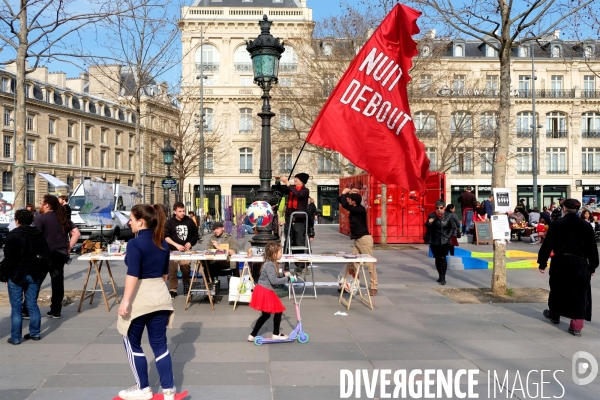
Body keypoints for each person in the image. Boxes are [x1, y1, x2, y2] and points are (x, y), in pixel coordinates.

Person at [117, 204, 175, 400]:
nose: (129, 223)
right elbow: (165, 276)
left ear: (140, 222)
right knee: (160, 344)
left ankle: (143, 388)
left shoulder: (135, 244)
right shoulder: (162, 242)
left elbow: (132, 274)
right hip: (161, 296)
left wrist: (125, 301)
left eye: (131, 219)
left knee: (131, 341)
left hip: (141, 298)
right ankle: (169, 390)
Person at [538, 199, 599, 337]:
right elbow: (592, 249)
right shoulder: (586, 226)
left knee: (557, 288)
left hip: (561, 260)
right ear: (577, 210)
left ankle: (555, 314)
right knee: (580, 293)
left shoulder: (557, 224)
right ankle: (576, 325)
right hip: (580, 262)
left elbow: (547, 244)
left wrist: (542, 262)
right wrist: (593, 266)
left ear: (564, 209)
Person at [0, 210, 50, 344]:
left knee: (16, 307)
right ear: (31, 220)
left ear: (17, 220)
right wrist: (42, 271)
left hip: (16, 273)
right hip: (33, 271)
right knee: (32, 303)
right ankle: (35, 333)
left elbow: (8, 259)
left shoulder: (12, 236)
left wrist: (4, 275)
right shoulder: (38, 234)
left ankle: (16, 337)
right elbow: (46, 256)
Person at [33, 195, 80, 319]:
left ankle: (28, 309)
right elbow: (76, 233)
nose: (39, 205)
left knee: (36, 282)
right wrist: (68, 247)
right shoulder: (62, 218)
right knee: (57, 282)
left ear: (47, 205)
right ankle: (56, 310)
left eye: (41, 203)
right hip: (60, 255)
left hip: (45, 255)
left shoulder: (40, 218)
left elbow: (33, 236)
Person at [247, 242, 294, 342]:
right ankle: (276, 334)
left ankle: (252, 335)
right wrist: (287, 279)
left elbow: (273, 277)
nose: (282, 254)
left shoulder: (270, 263)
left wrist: (284, 274)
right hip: (266, 291)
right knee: (278, 310)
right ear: (274, 254)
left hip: (263, 289)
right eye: (280, 252)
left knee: (266, 315)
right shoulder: (270, 264)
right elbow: (274, 280)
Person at [338, 188, 377, 296]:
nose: (348, 200)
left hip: (364, 239)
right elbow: (341, 200)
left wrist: (344, 193)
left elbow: (344, 204)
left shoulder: (360, 209)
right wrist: (348, 193)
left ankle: (374, 287)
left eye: (349, 199)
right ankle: (348, 285)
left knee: (369, 263)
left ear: (353, 201)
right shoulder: (355, 208)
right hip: (358, 239)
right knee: (352, 263)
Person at [276, 173, 313, 273]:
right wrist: (278, 181)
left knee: (298, 242)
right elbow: (281, 191)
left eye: (297, 178)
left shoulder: (305, 190)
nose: (295, 179)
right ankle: (286, 264)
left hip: (299, 220)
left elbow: (298, 194)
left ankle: (300, 265)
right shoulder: (291, 188)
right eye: (295, 177)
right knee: (287, 242)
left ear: (302, 181)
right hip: (289, 218)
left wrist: (287, 183)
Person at [165, 202, 199, 299]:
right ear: (175, 211)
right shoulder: (169, 222)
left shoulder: (189, 221)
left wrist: (190, 243)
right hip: (173, 251)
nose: (182, 213)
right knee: (172, 270)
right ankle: (173, 290)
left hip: (186, 251)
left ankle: (186, 285)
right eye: (180, 211)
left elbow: (195, 235)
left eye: (183, 211)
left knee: (185, 268)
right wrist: (176, 245)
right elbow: (166, 237)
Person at [425, 200, 457, 285]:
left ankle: (443, 277)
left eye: (441, 208)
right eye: (437, 208)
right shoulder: (431, 215)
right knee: (437, 258)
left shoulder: (449, 216)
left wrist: (448, 237)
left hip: (445, 241)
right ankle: (440, 275)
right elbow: (427, 226)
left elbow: (453, 228)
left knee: (442, 258)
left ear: (444, 208)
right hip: (434, 240)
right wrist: (429, 222)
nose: (439, 209)